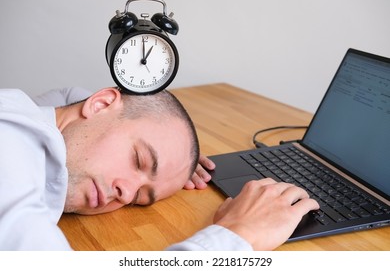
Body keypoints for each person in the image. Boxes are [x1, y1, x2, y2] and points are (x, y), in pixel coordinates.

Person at [0, 87, 319, 251]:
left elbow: (68, 96)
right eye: (138, 159)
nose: (125, 193)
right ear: (98, 104)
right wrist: (238, 235)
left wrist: (171, 158)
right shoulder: (10, 143)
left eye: (141, 197)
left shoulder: (30, 112)